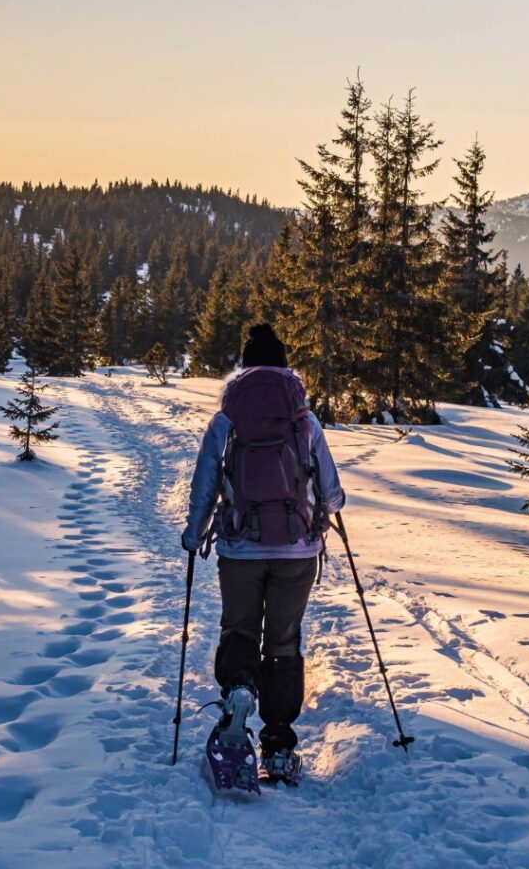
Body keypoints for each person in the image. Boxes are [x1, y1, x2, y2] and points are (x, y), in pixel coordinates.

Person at [181, 323, 345, 784]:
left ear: (245, 366)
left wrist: (194, 535)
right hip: (297, 550)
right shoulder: (304, 419)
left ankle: (237, 695)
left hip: (240, 549)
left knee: (239, 630)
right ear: (285, 366)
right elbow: (331, 492)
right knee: (283, 642)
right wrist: (327, 509)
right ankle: (277, 743)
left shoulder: (226, 419)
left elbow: (205, 486)